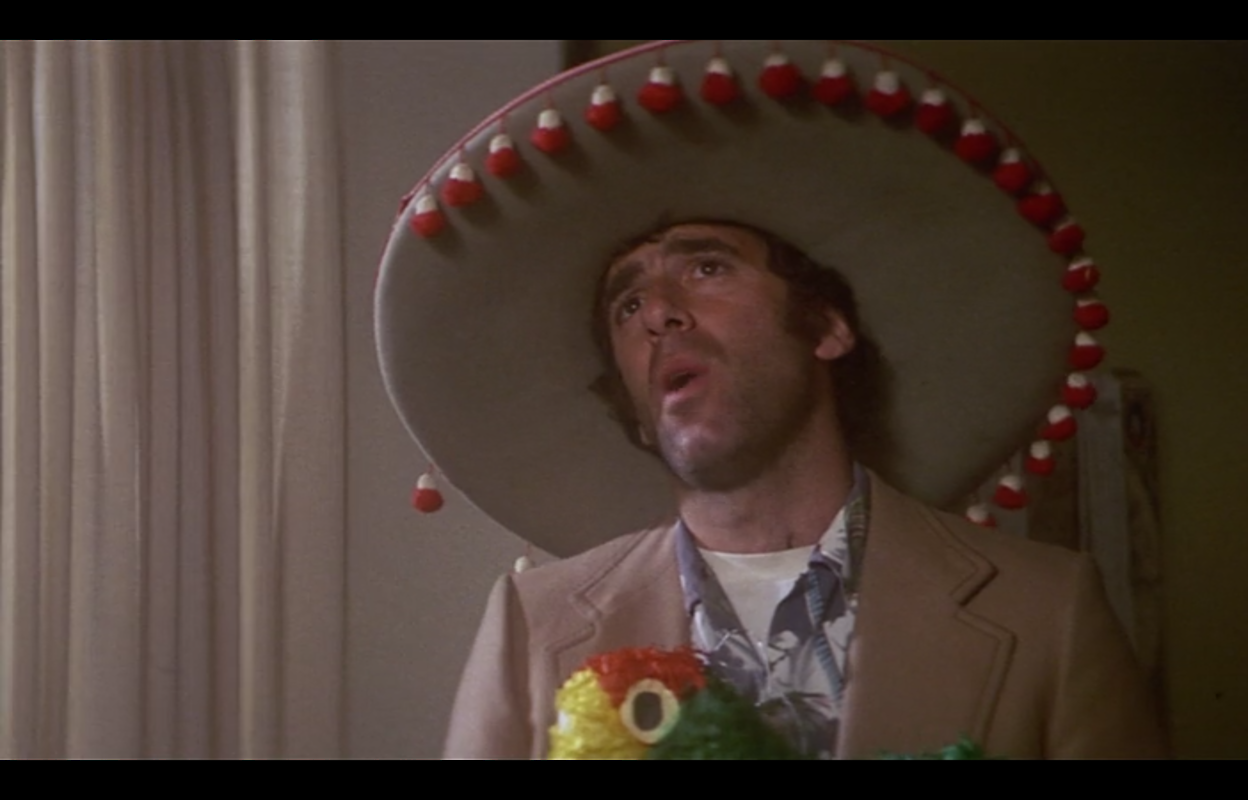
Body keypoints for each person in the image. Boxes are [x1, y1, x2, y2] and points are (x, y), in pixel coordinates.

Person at [374, 40, 1168, 758]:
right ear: (638, 412)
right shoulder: (534, 623)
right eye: (627, 304)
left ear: (825, 328)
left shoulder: (1047, 610)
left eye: (706, 268)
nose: (658, 313)